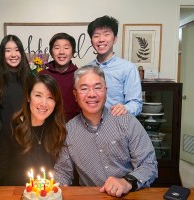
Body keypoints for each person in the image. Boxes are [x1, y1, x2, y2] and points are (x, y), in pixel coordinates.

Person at [54, 65, 157, 197]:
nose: (92, 94)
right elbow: (63, 171)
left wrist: (127, 182)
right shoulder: (69, 131)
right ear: (75, 94)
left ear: (106, 91)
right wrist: (54, 190)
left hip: (128, 195)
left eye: (97, 87)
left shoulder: (126, 122)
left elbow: (149, 164)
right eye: (84, 88)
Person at [0, 35, 30, 164]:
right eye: (8, 50)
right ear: (2, 54)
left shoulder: (30, 79)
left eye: (17, 50)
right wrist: (6, 138)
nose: (13, 54)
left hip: (25, 141)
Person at [87, 15, 142, 116]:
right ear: (91, 41)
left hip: (118, 125)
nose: (101, 39)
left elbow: (136, 104)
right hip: (90, 126)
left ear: (115, 39)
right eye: (96, 36)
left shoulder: (128, 68)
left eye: (106, 34)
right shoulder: (86, 69)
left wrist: (124, 108)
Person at [39, 32, 79, 122]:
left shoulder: (79, 75)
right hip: (46, 126)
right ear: (51, 52)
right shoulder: (42, 75)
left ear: (73, 52)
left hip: (74, 126)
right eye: (57, 48)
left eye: (66, 48)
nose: (61, 52)